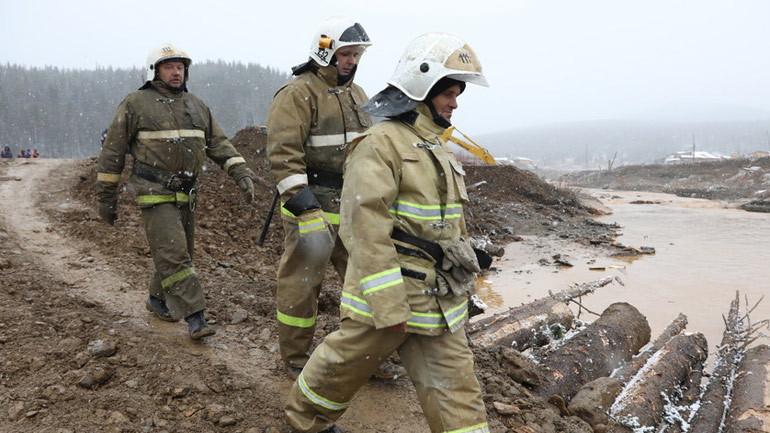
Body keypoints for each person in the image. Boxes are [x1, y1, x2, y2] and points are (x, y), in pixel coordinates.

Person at [283, 32, 490, 433]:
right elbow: (363, 227)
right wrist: (388, 302)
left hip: (438, 298)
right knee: (343, 366)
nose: (455, 102)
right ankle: (304, 420)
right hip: (390, 296)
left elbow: (449, 225)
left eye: (457, 92)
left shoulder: (437, 147)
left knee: (458, 389)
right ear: (421, 87)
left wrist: (466, 276)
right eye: (448, 92)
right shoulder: (380, 144)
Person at [266, 16, 400, 380]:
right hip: (312, 205)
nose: (351, 61)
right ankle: (295, 357)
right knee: (302, 281)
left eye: (355, 55)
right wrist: (302, 203)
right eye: (344, 54)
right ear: (323, 52)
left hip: (353, 204)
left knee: (364, 282)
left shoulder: (357, 94)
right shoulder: (297, 94)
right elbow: (283, 154)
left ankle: (367, 356)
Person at [96, 43, 256, 340]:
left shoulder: (197, 105)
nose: (176, 72)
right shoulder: (135, 104)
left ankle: (156, 299)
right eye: (169, 66)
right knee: (175, 255)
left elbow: (219, 144)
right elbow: (113, 153)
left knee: (178, 254)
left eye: (181, 67)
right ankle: (196, 317)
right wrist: (106, 198)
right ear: (154, 71)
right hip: (154, 193)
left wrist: (241, 172)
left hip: (187, 195)